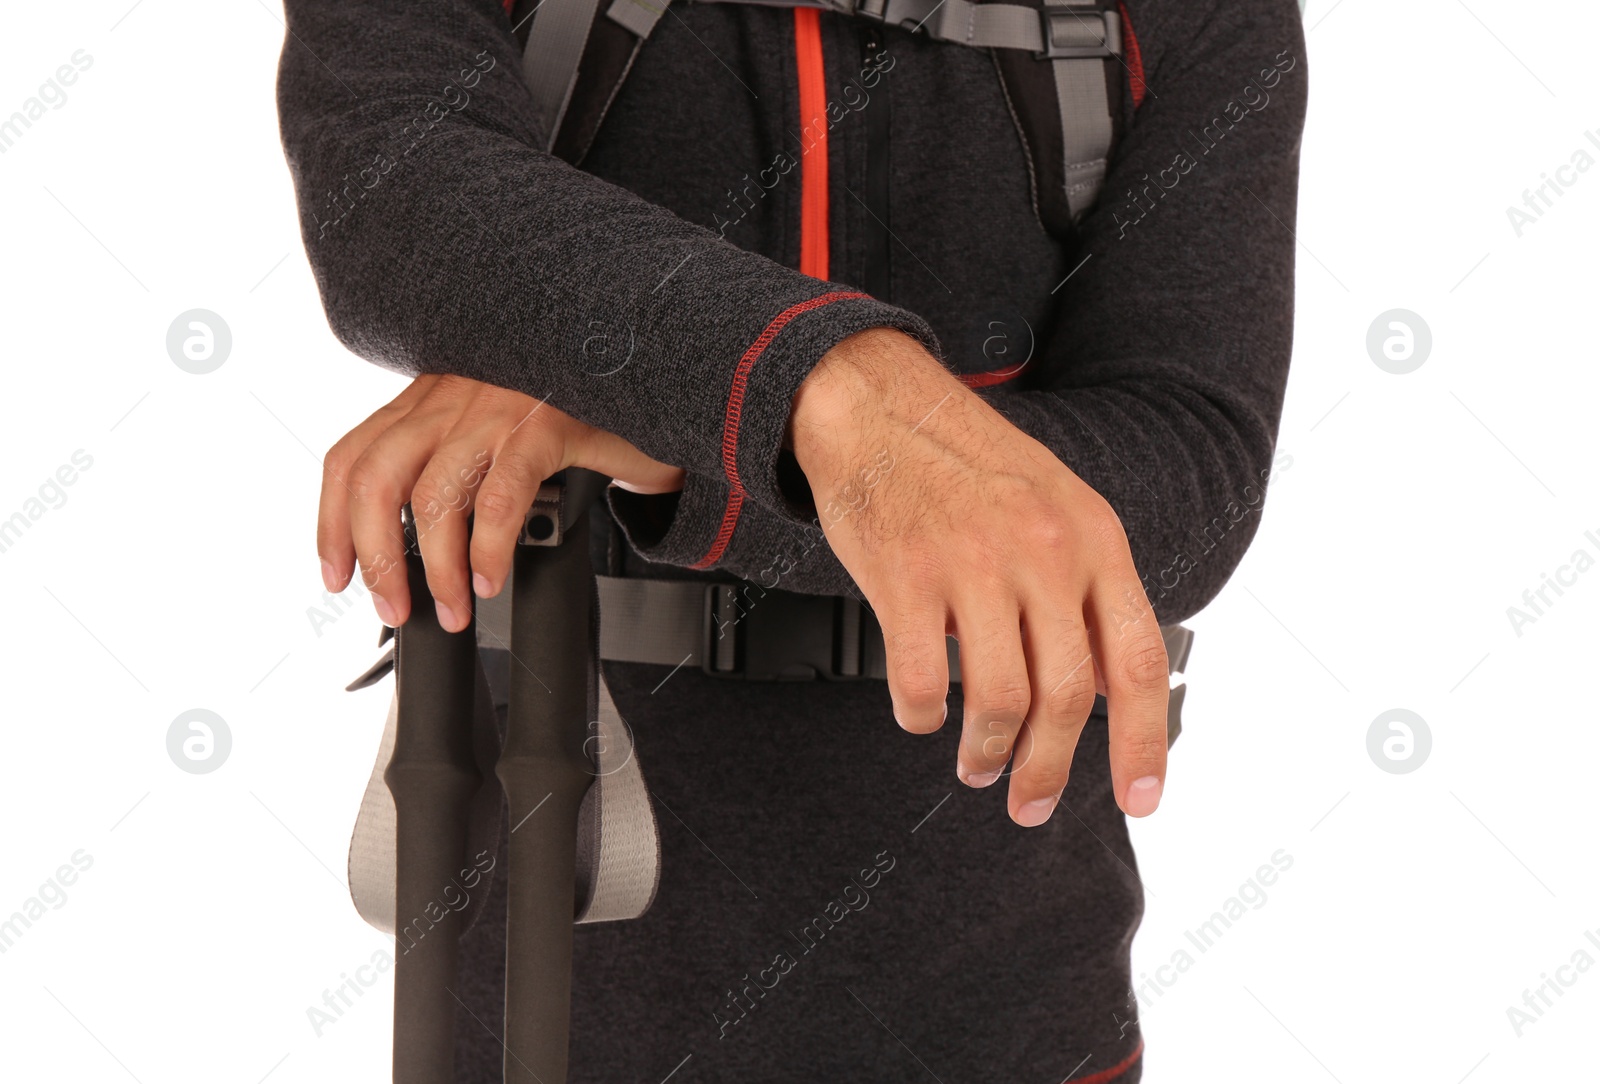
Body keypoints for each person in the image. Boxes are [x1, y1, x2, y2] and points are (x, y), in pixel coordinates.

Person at [276, 0, 1306, 1078]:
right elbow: (395, 189)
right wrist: (829, 395)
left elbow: (1189, 478)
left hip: (1009, 1008)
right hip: (540, 988)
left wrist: (668, 425)